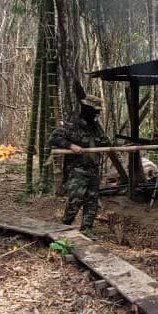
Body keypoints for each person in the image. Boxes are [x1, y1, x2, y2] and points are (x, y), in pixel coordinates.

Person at [49, 96, 109, 238]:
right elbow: (54, 138)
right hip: (77, 170)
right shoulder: (72, 124)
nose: (96, 114)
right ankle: (64, 226)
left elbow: (104, 140)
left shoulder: (95, 126)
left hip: (93, 168)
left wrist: (105, 145)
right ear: (86, 109)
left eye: (97, 111)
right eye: (94, 111)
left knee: (92, 200)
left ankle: (87, 229)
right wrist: (70, 145)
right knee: (75, 200)